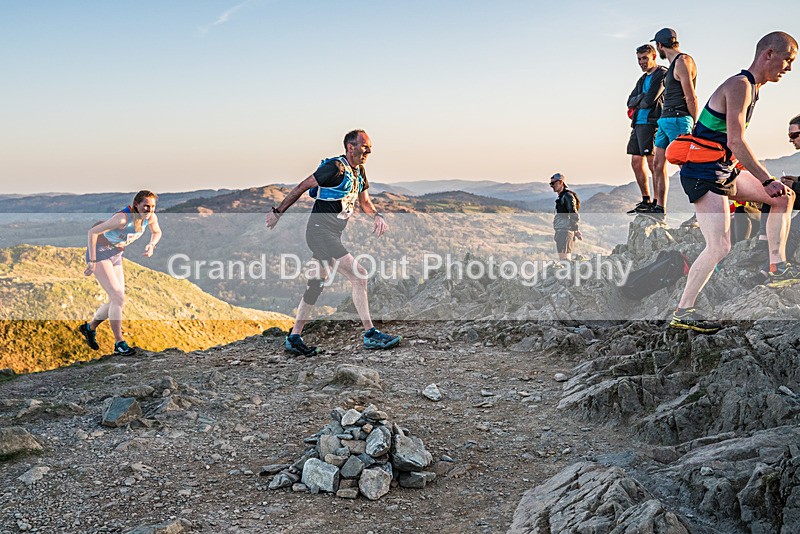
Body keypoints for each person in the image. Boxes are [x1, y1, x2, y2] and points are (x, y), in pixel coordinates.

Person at [669, 32, 798, 334]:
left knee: (783, 197)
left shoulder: (752, 89)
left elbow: (728, 144)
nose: (789, 68)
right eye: (788, 60)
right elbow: (736, 141)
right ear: (769, 54)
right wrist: (766, 179)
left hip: (723, 169)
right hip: (704, 173)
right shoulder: (739, 86)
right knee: (719, 247)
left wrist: (765, 181)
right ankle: (683, 311)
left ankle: (777, 267)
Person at [265, 129, 401, 356]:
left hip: (331, 234)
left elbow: (365, 202)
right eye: (365, 145)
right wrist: (278, 212)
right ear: (351, 147)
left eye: (370, 146)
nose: (369, 150)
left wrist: (377, 215)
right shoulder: (334, 168)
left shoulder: (359, 172)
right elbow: (302, 186)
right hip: (320, 232)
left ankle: (294, 337)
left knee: (316, 284)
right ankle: (370, 335)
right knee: (360, 276)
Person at [79, 190, 162, 355]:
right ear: (136, 204)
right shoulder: (122, 218)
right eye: (146, 206)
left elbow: (157, 232)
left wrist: (151, 245)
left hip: (116, 255)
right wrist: (92, 261)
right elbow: (93, 232)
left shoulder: (151, 218)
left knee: (117, 300)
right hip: (100, 252)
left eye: (152, 206)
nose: (149, 210)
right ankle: (119, 343)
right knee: (118, 297)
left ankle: (89, 327)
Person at [649, 28, 699, 221]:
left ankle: (700, 212)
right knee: (657, 164)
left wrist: (695, 124)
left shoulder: (683, 62)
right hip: (665, 119)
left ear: (660, 46)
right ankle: (659, 208)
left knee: (686, 167)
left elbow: (691, 96)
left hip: (679, 119)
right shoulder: (673, 65)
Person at [626, 44, 668, 214]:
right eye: (639, 59)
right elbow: (630, 101)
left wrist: (640, 99)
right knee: (636, 161)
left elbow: (649, 101)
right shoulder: (642, 79)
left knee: (654, 164)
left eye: (644, 58)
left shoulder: (662, 74)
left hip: (653, 123)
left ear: (653, 57)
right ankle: (646, 199)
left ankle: (658, 203)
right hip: (638, 124)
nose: (641, 62)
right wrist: (640, 98)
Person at [550, 173, 581, 261]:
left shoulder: (567, 196)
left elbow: (573, 213)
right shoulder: (562, 196)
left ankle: (567, 274)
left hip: (565, 232)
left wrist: (575, 229)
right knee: (563, 259)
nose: (551, 186)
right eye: (550, 184)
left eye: (553, 183)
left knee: (565, 259)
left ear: (560, 182)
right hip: (561, 231)